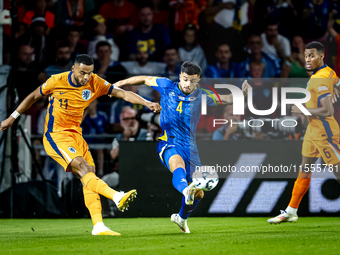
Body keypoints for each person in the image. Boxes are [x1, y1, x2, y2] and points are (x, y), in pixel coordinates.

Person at [0, 54, 161, 235]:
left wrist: (146, 102)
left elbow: (122, 93)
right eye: (83, 73)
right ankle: (116, 196)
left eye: (89, 73)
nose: (86, 77)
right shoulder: (57, 81)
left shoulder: (95, 82)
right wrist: (11, 118)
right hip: (56, 135)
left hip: (77, 136)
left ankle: (98, 226)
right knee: (84, 168)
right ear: (73, 69)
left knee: (89, 177)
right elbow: (33, 96)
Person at [112, 61, 251, 233]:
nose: (188, 84)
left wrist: (242, 95)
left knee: (199, 193)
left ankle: (181, 218)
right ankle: (186, 190)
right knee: (178, 166)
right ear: (180, 77)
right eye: (185, 79)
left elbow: (227, 98)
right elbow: (144, 79)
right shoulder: (166, 86)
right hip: (169, 142)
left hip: (191, 148)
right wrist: (119, 84)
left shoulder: (202, 94)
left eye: (192, 81)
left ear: (198, 81)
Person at [267, 42, 340, 224]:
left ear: (321, 56)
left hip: (326, 133)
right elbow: (337, 81)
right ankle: (291, 210)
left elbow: (327, 110)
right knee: (305, 168)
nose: (308, 59)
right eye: (306, 55)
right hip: (312, 130)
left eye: (312, 56)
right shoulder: (327, 73)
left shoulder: (319, 79)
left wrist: (302, 109)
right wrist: (336, 88)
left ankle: (291, 211)